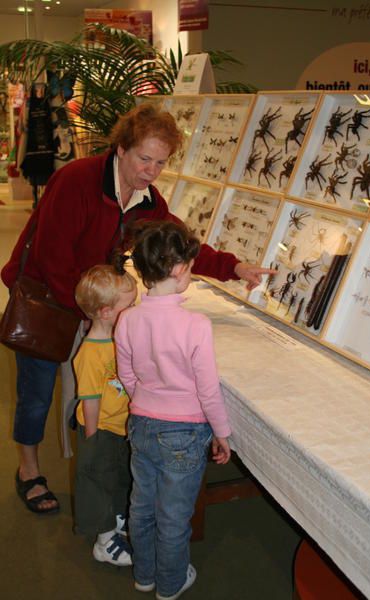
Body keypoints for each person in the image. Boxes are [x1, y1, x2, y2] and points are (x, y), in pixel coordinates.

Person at [1, 102, 272, 514]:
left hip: (96, 304)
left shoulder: (147, 200)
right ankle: (29, 470)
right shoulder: (77, 180)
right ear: (121, 149)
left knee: (98, 386)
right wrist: (93, 312)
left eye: (160, 163)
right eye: (144, 158)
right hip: (48, 299)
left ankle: (98, 469)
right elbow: (54, 260)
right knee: (36, 394)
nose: (151, 170)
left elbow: (177, 242)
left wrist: (233, 267)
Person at [114, 220, 231, 600]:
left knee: (142, 505)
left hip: (142, 424)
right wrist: (222, 433)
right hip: (184, 432)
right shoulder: (195, 324)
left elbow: (127, 373)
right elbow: (208, 389)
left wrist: (144, 400)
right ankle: (170, 582)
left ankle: (144, 575)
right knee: (174, 516)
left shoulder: (127, 318)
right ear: (180, 270)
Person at [73, 264, 137, 566]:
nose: (135, 310)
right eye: (130, 305)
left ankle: (117, 522)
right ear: (106, 312)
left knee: (118, 477)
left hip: (120, 425)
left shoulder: (118, 339)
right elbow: (90, 399)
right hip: (99, 429)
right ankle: (104, 542)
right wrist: (93, 437)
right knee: (97, 481)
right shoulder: (90, 352)